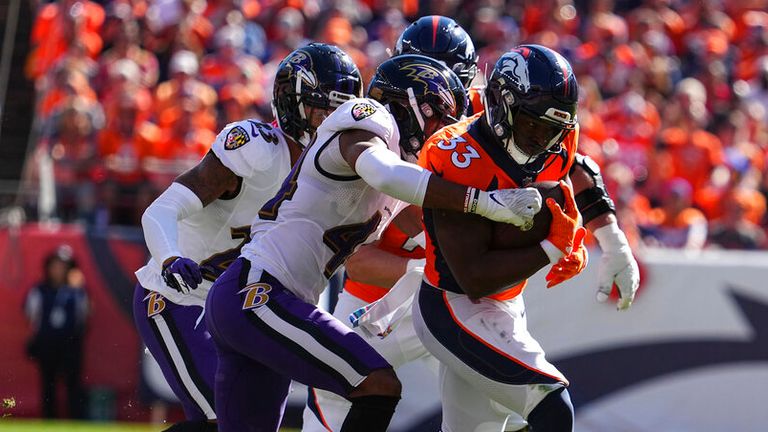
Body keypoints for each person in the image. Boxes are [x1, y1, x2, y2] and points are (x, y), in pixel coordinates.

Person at [204, 54, 546, 432]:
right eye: (438, 119)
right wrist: (485, 203)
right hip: (258, 293)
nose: (440, 133)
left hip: (254, 297)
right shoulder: (368, 116)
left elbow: (433, 238)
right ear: (409, 103)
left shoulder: (398, 180)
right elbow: (381, 171)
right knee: (376, 384)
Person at [132, 43, 364, 432]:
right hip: (177, 297)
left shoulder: (333, 175)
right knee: (221, 422)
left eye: (338, 111)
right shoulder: (256, 148)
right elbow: (160, 210)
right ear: (293, 104)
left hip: (244, 310)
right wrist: (170, 259)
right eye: (322, 108)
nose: (330, 120)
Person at [302, 15, 483, 431]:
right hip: (377, 298)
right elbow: (360, 260)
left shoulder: (484, 132)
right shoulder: (377, 132)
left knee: (486, 392)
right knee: (333, 384)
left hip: (458, 294)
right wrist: (426, 271)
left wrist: (608, 232)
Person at [412, 45, 588, 432]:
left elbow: (582, 176)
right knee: (553, 407)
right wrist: (554, 244)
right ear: (500, 104)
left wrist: (588, 228)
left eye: (552, 130)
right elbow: (473, 277)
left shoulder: (559, 140)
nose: (542, 141)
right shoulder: (459, 153)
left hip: (507, 303)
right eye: (533, 126)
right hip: (454, 305)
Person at [24, 245, 89, 419]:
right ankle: (48, 419)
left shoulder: (77, 291)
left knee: (73, 383)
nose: (59, 270)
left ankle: (76, 419)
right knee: (48, 384)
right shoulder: (39, 290)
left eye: (63, 266)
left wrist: (80, 289)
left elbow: (85, 315)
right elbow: (30, 313)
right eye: (55, 265)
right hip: (47, 343)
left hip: (70, 343)